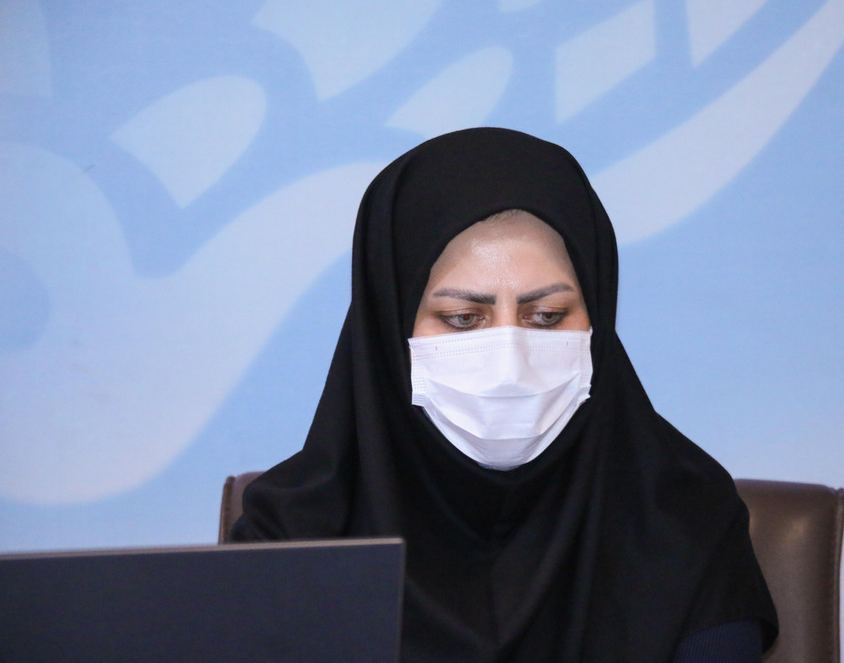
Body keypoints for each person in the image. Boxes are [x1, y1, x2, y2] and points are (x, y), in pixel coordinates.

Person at [230, 127, 777, 661]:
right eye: (462, 318)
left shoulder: (686, 521)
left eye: (548, 316)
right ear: (389, 328)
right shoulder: (290, 540)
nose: (511, 363)